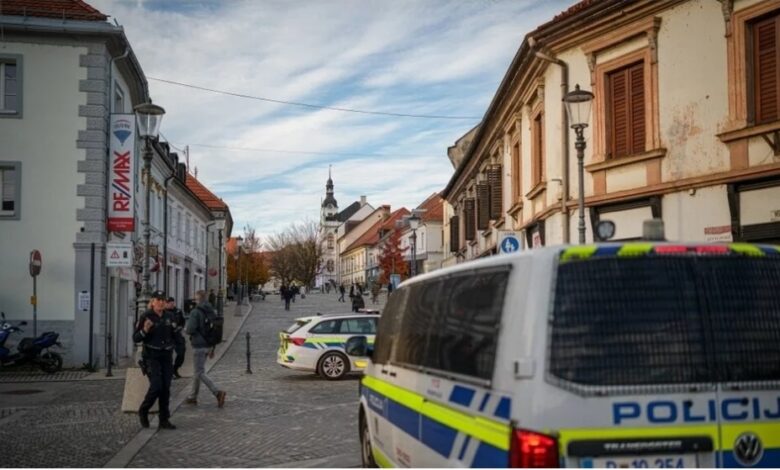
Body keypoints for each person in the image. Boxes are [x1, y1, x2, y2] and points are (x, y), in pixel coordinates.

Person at [133, 290, 177, 430]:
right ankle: (143, 410)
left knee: (166, 388)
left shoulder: (170, 316)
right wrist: (145, 330)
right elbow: (136, 338)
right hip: (151, 356)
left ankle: (164, 419)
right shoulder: (146, 316)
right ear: (152, 302)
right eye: (158, 300)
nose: (161, 302)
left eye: (163, 300)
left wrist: (179, 349)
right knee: (156, 386)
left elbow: (175, 335)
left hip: (166, 356)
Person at [184, 290, 226, 408]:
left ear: (198, 299)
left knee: (199, 372)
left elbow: (190, 329)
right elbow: (215, 329)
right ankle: (193, 396)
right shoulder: (211, 310)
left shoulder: (195, 312)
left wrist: (185, 329)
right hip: (208, 344)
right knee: (198, 371)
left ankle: (217, 392)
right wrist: (213, 347)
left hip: (199, 345)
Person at [166, 297, 186, 379]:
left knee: (181, 353)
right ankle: (169, 372)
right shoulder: (164, 312)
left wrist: (180, 327)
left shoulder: (178, 311)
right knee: (168, 355)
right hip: (168, 336)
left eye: (172, 303)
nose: (171, 304)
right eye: (169, 303)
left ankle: (175, 369)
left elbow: (183, 321)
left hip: (177, 335)